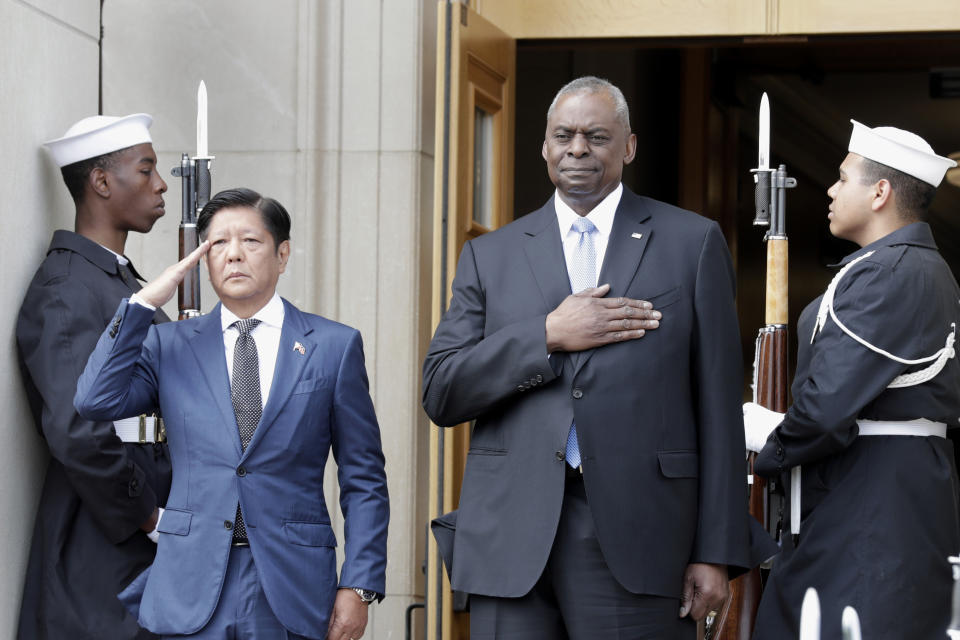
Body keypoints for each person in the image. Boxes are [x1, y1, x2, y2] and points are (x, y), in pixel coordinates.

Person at [422, 76, 753, 639]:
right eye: (564, 136)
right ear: (545, 147)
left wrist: (716, 551)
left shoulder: (690, 242)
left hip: (642, 538)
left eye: (597, 136)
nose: (578, 149)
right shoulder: (489, 255)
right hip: (511, 538)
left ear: (628, 146)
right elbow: (442, 390)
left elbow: (719, 407)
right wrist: (547, 334)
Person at [74, 188, 389, 640]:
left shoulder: (332, 347)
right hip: (192, 581)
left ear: (282, 255)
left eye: (251, 242)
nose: (233, 255)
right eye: (218, 244)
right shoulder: (170, 345)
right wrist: (144, 303)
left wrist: (358, 584)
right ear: (203, 258)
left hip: (290, 583)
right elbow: (94, 401)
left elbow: (364, 477)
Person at [745, 121, 960, 640]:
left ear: (881, 192)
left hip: (875, 501)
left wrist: (770, 439)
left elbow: (824, 410)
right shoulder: (896, 266)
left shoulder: (891, 272)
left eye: (844, 179)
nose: (832, 190)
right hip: (875, 490)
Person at [17, 113, 171, 640]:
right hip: (98, 556)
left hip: (133, 552)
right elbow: (78, 428)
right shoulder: (66, 289)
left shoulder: (114, 281)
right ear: (102, 182)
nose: (161, 183)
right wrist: (148, 516)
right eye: (146, 169)